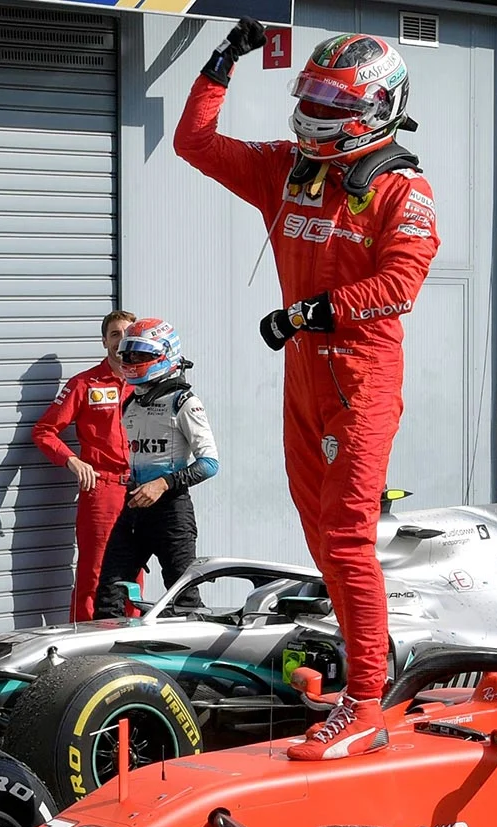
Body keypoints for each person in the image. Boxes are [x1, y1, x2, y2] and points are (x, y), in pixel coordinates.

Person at [175, 20, 438, 759]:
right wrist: (222, 62)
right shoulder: (290, 169)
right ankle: (369, 664)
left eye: (334, 102)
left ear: (376, 107)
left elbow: (402, 282)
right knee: (321, 537)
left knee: (347, 536)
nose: (317, 113)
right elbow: (194, 143)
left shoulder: (401, 188)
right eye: (312, 97)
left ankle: (363, 708)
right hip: (304, 372)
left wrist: (318, 311)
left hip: (362, 376)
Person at [94, 319, 220, 617]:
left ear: (164, 355)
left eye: (140, 355)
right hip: (134, 508)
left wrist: (162, 484)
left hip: (171, 512)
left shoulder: (184, 402)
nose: (130, 361)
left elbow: (210, 463)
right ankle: (107, 660)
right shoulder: (131, 403)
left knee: (183, 600)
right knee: (108, 597)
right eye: (127, 354)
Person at [34, 310, 136, 621]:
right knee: (95, 572)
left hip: (139, 489)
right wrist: (73, 460)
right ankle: (82, 648)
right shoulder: (85, 383)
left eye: (127, 334)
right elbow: (44, 431)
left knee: (133, 576)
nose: (121, 340)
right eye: (114, 334)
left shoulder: (147, 383)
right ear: (104, 341)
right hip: (101, 491)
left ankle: (132, 644)